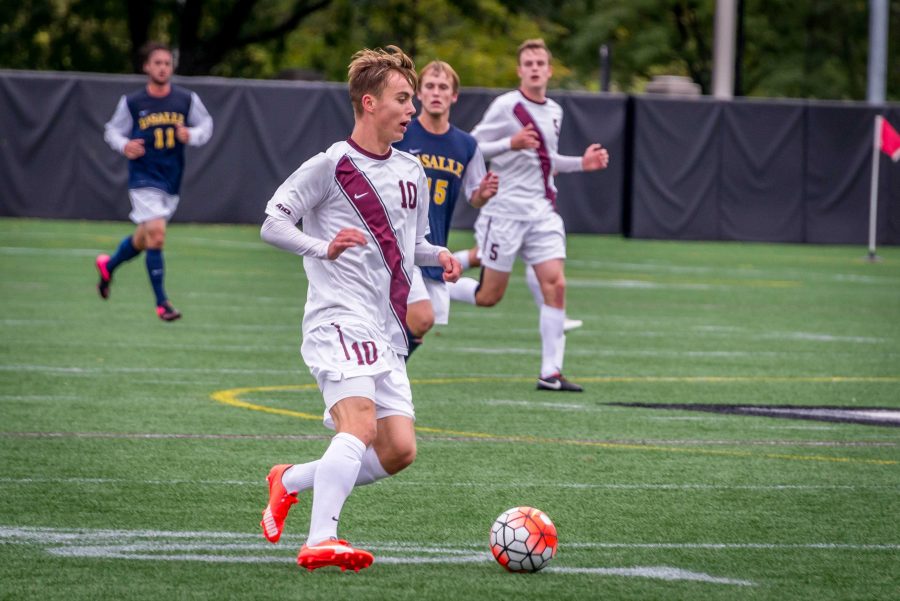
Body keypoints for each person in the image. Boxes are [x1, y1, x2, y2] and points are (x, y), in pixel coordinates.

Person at [258, 46, 460, 572]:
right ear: (369, 103)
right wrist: (320, 247)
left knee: (398, 450)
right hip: (337, 317)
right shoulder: (330, 165)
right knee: (360, 426)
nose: (412, 109)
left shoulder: (411, 170)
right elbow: (273, 223)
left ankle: (290, 479)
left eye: (412, 100)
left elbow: (410, 244)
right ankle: (321, 538)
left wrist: (439, 254)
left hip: (385, 327)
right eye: (401, 99)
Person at [447, 38, 609, 392]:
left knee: (556, 283)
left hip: (542, 212)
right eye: (529, 63)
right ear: (520, 70)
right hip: (504, 213)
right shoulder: (506, 106)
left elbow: (546, 162)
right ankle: (432, 286)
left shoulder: (554, 110)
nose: (535, 68)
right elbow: (471, 146)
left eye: (541, 63)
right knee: (490, 296)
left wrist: (582, 163)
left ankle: (550, 372)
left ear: (549, 70)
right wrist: (510, 143)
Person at [96, 41, 213, 321]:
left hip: (171, 177)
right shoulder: (133, 102)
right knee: (157, 235)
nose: (162, 67)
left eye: (167, 63)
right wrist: (124, 145)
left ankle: (109, 266)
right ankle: (162, 303)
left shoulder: (186, 99)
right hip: (143, 176)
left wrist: (191, 135)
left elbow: (206, 125)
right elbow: (112, 131)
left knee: (145, 237)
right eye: (157, 62)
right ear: (147, 66)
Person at [393, 60, 499, 357]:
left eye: (443, 87)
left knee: (417, 327)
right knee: (418, 319)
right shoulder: (401, 134)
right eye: (429, 86)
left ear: (454, 96)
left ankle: (379, 385)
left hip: (433, 245)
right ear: (418, 93)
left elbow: (473, 196)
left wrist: (483, 194)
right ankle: (376, 388)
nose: (436, 92)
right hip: (399, 242)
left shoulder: (466, 145)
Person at [453, 249, 583, 331]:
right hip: (505, 218)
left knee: (542, 258)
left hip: (536, 214)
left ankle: (550, 372)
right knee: (487, 295)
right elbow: (475, 203)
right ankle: (440, 278)